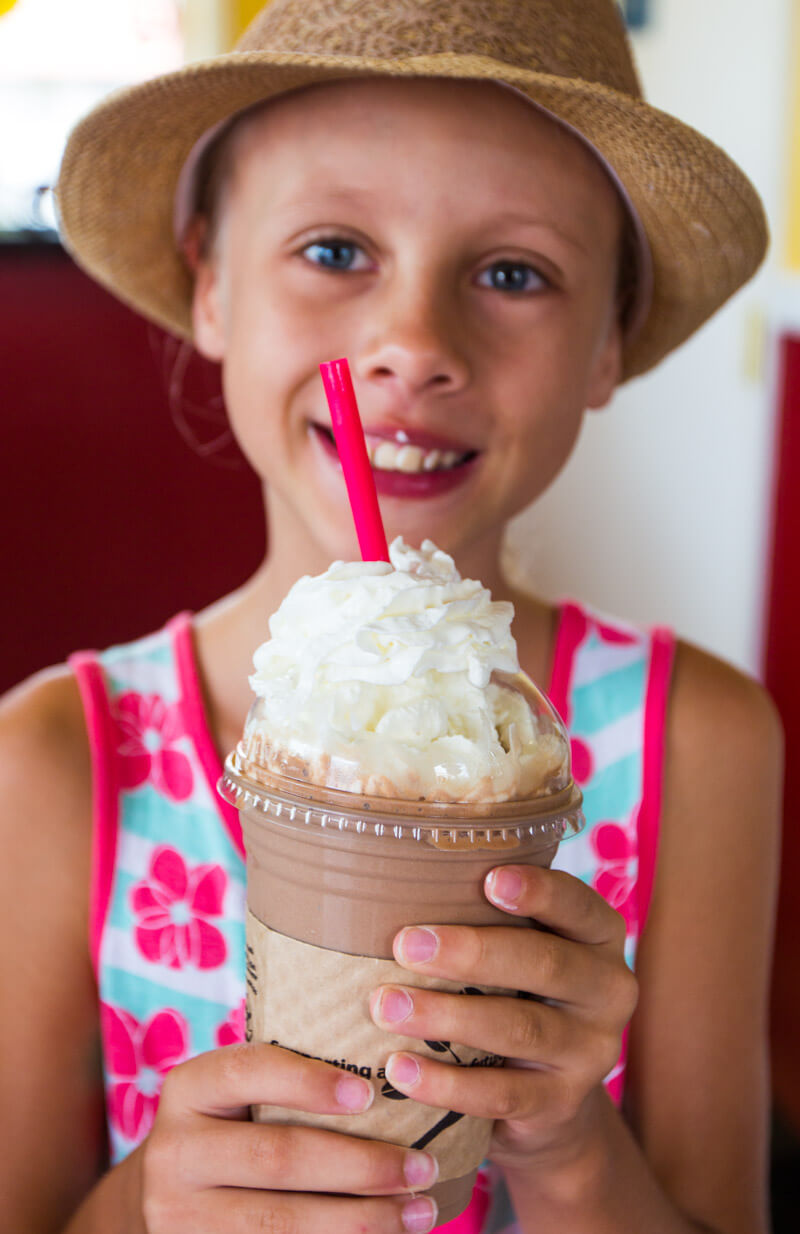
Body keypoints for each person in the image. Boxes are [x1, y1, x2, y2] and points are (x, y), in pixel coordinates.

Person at [0, 2, 782, 1232]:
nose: (413, 343)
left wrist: (568, 1148)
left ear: (604, 347)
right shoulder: (56, 760)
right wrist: (146, 1204)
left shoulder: (695, 743)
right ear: (210, 286)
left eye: (512, 273)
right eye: (332, 251)